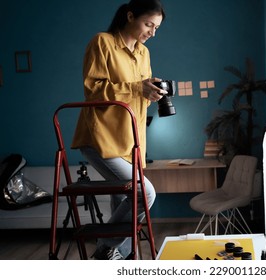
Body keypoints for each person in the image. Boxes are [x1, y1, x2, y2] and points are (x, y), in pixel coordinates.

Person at [71, 0, 167, 260]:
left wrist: (151, 92)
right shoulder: (102, 43)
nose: (152, 32)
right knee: (144, 192)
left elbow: (136, 96)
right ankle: (104, 249)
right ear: (130, 16)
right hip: (100, 137)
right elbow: (93, 90)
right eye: (149, 24)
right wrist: (138, 87)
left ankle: (120, 259)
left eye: (156, 28)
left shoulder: (143, 53)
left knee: (122, 199)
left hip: (130, 139)